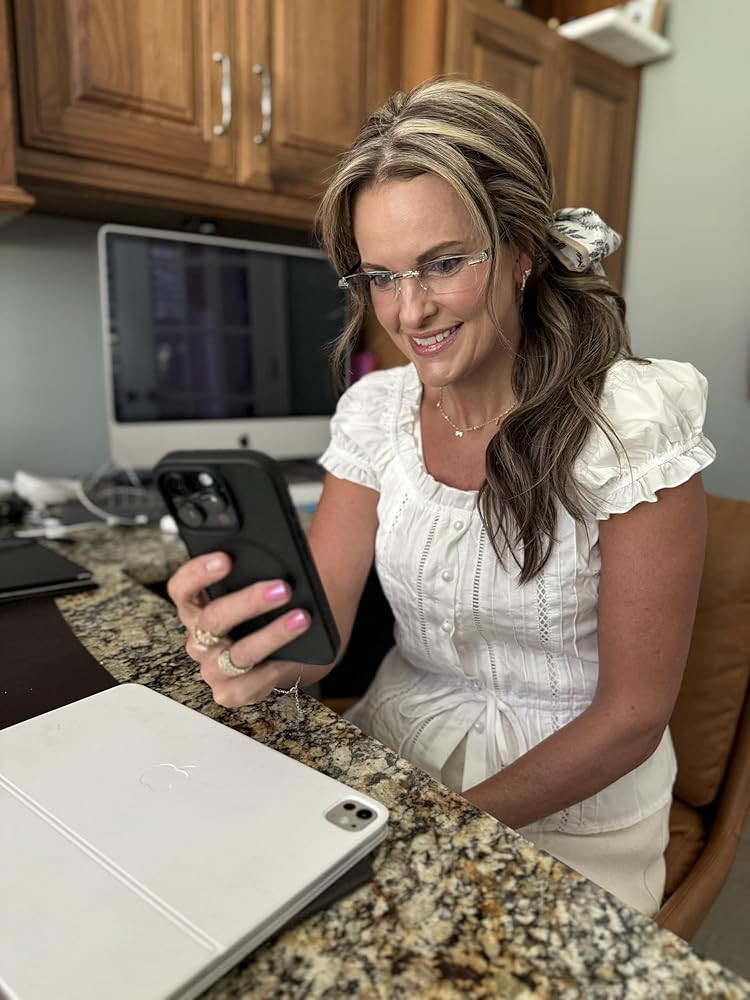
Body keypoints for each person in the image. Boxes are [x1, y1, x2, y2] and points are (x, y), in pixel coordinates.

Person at [167, 78, 715, 916]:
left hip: (572, 809)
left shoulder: (632, 423)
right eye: (380, 276)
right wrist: (250, 645)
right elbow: (321, 643)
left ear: (522, 251)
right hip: (395, 761)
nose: (409, 311)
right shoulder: (375, 413)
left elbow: (631, 719)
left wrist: (436, 829)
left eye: (445, 263)